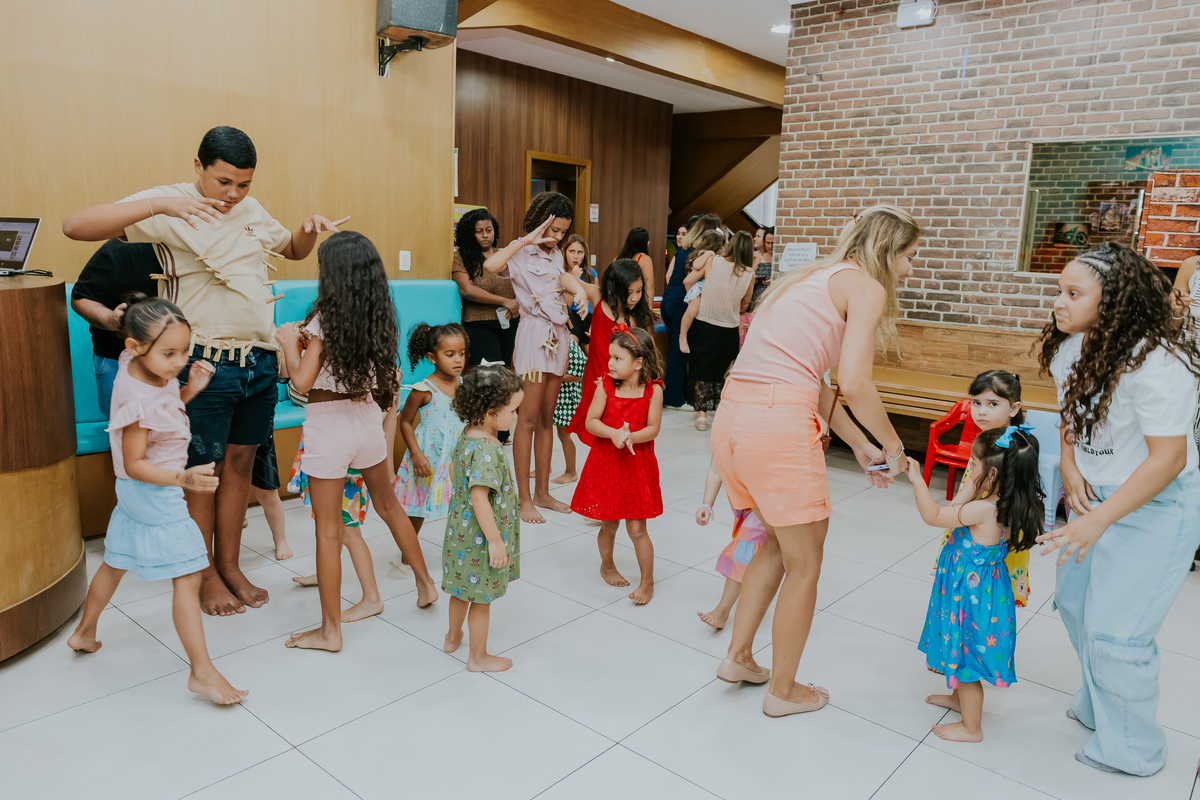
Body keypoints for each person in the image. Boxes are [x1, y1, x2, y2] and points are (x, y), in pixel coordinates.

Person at [63, 125, 348, 617]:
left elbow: (293, 250)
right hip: (205, 362)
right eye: (223, 182)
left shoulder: (251, 211)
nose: (234, 195)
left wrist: (307, 229)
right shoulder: (167, 203)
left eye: (244, 184)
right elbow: (75, 225)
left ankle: (231, 564)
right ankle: (203, 572)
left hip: (257, 360)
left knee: (240, 466)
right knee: (204, 471)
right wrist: (160, 207)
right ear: (198, 167)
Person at [712, 205, 918, 719]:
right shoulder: (865, 286)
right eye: (911, 257)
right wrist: (894, 449)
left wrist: (859, 443)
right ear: (886, 252)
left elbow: (811, 380)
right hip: (776, 428)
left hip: (734, 420)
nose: (912, 269)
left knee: (775, 544)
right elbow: (855, 382)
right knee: (806, 566)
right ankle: (783, 691)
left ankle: (739, 658)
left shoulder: (806, 280)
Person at [1037, 242, 1200, 776]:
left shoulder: (1159, 362)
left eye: (1073, 293)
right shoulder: (1073, 347)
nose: (1058, 302)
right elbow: (1070, 411)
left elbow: (1169, 459)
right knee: (1077, 607)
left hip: (1157, 503)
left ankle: (1135, 751)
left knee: (1117, 633)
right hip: (1097, 496)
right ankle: (1099, 706)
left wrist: (1099, 520)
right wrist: (1067, 462)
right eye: (1060, 289)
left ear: (1113, 302)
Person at [66, 297, 247, 705]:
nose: (179, 361)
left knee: (115, 562)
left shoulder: (143, 371)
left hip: (135, 496)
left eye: (185, 350)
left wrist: (189, 390)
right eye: (169, 353)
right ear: (133, 346)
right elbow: (133, 462)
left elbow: (162, 417)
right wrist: (180, 478)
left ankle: (84, 632)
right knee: (188, 575)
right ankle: (202, 672)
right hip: (154, 492)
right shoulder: (137, 399)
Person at [275, 232, 438, 652]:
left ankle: (330, 632)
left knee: (328, 532)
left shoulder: (324, 319)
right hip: (367, 419)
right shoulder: (380, 313)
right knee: (388, 506)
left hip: (329, 425)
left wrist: (288, 343)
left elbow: (301, 382)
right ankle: (425, 584)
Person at [908, 426, 1043, 743]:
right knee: (959, 650)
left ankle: (972, 727)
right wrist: (975, 484)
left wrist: (917, 479)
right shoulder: (1005, 507)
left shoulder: (985, 510)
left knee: (966, 661)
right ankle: (958, 701)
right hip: (977, 595)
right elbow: (957, 508)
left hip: (970, 600)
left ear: (993, 474)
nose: (970, 471)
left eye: (973, 465)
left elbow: (935, 515)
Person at [481, 192, 590, 524]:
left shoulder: (556, 255)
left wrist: (581, 290)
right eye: (553, 229)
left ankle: (543, 492)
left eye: (563, 231)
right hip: (532, 336)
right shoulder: (520, 251)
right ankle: (523, 499)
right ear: (539, 221)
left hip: (558, 336)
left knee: (547, 418)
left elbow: (565, 278)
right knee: (526, 420)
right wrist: (525, 239)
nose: (556, 237)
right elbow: (490, 266)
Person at [284, 354, 396, 624]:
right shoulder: (336, 364)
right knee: (325, 524)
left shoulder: (362, 375)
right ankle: (324, 573)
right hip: (328, 454)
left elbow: (299, 388)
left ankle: (372, 597)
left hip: (344, 464)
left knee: (348, 530)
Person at [570, 326, 664, 604]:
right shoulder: (606, 386)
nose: (609, 363)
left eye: (617, 358)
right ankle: (607, 565)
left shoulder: (652, 391)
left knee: (637, 529)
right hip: (607, 463)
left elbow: (654, 428)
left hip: (636, 466)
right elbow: (591, 422)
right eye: (610, 357)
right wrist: (613, 434)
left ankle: (647, 582)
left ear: (638, 363)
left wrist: (631, 437)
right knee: (609, 524)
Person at [442, 365, 524, 672]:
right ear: (490, 411)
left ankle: (452, 636)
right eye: (513, 410)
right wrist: (494, 541)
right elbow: (479, 496)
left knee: (460, 590)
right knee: (481, 599)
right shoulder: (488, 449)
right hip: (480, 537)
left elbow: (454, 472)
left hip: (460, 532)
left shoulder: (469, 435)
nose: (515, 417)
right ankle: (477, 657)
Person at [929, 370, 1032, 607]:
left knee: (988, 592)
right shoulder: (993, 438)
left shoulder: (1010, 446)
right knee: (980, 597)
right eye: (976, 403)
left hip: (991, 534)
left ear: (1014, 408)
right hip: (979, 525)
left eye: (992, 403)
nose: (981, 411)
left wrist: (955, 507)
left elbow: (977, 489)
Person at [566, 259, 654, 449]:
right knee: (597, 433)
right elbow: (564, 278)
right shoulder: (598, 297)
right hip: (596, 379)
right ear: (613, 289)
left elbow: (648, 355)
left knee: (620, 434)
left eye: (639, 291)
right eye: (629, 292)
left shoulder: (637, 317)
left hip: (623, 385)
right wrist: (575, 281)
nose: (634, 298)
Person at [69, 239, 160, 417]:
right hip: (118, 356)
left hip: (185, 354)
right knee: (125, 422)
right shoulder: (120, 250)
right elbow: (81, 298)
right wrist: (112, 320)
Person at [394, 323, 468, 534]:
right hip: (430, 454)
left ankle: (463, 541)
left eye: (461, 354)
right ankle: (410, 544)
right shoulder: (423, 389)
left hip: (458, 452)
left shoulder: (463, 384)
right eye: (450, 354)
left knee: (464, 499)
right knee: (420, 502)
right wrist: (416, 454)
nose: (458, 359)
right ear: (432, 357)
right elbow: (405, 422)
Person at [684, 231, 756, 431]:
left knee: (701, 368)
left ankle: (701, 416)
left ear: (731, 245)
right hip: (729, 328)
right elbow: (745, 304)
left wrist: (698, 299)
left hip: (704, 323)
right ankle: (722, 414)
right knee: (724, 371)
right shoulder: (749, 274)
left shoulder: (713, 262)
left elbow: (689, 280)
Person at [695, 455, 767, 630]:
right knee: (760, 552)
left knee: (743, 552)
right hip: (745, 503)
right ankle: (755, 597)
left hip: (766, 501)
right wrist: (707, 504)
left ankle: (722, 611)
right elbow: (715, 470)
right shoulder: (724, 434)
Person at [661, 214, 720, 408]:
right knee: (680, 353)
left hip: (668, 300)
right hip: (681, 303)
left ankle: (678, 394)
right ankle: (673, 399)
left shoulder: (683, 248)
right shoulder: (700, 253)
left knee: (674, 352)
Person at [451, 209, 520, 369]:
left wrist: (516, 301)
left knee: (505, 374)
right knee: (489, 376)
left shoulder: (503, 254)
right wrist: (505, 301)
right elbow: (467, 290)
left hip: (509, 323)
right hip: (479, 324)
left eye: (489, 230)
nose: (485, 235)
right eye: (479, 231)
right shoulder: (460, 257)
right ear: (470, 233)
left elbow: (522, 283)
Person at [677, 229, 728, 356]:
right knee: (692, 309)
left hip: (703, 287)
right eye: (722, 245)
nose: (724, 247)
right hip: (698, 287)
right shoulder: (707, 253)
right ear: (715, 245)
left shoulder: (715, 257)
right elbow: (696, 264)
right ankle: (682, 335)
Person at [617, 226, 656, 303]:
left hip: (618, 302)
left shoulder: (617, 259)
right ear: (646, 243)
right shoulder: (644, 259)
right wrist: (649, 311)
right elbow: (649, 287)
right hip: (635, 302)